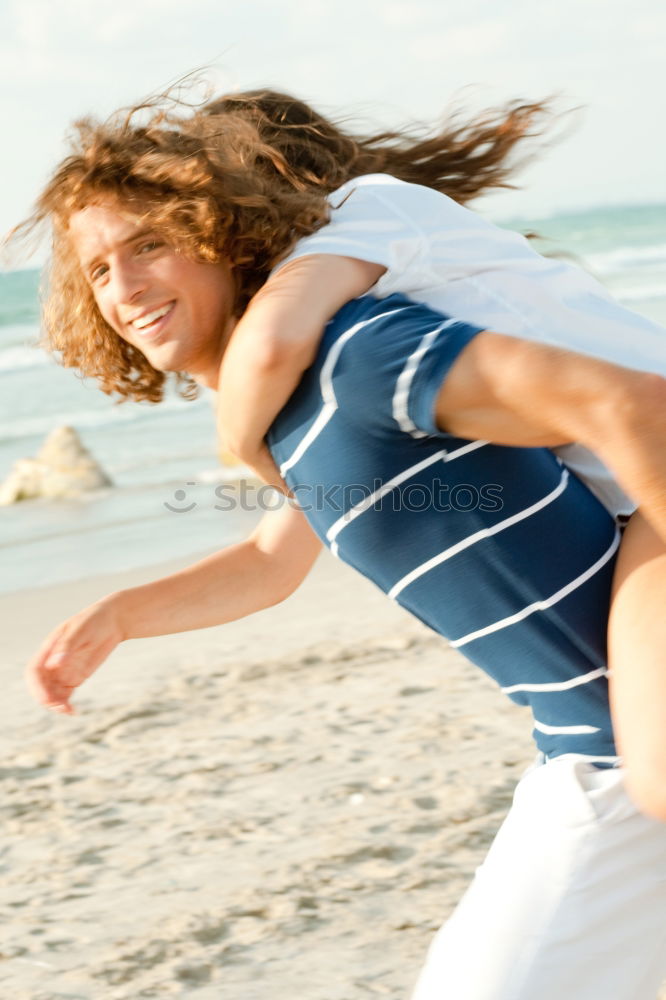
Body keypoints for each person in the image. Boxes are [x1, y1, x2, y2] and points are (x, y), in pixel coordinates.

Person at [10, 93, 666, 999]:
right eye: (99, 269)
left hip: (622, 758)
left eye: (151, 244)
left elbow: (636, 404)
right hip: (586, 755)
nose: (122, 288)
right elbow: (272, 562)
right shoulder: (304, 424)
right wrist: (117, 617)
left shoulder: (355, 360)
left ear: (221, 232)